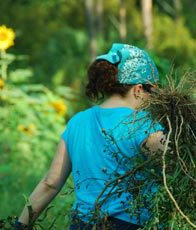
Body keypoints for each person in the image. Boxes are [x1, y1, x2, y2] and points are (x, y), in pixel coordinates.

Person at [15, 43, 166, 230]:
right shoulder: (144, 124)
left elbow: (50, 183)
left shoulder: (77, 122)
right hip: (131, 224)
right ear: (138, 89)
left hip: (82, 223)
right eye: (152, 92)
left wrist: (20, 225)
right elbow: (174, 167)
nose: (154, 100)